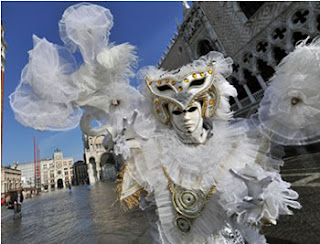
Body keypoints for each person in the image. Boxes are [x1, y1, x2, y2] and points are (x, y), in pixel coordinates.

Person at [8, 3, 320, 243]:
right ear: (164, 115)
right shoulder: (154, 156)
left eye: (192, 109)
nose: (185, 118)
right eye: (176, 111)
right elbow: (140, 193)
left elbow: (251, 221)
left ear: (206, 108)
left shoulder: (237, 147)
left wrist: (255, 208)